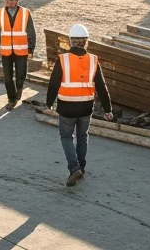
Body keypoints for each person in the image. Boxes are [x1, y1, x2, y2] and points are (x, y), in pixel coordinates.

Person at [46, 24, 113, 187]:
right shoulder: (93, 60)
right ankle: (81, 167)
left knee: (66, 137)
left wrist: (49, 103)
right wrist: (107, 109)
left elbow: (54, 84)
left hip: (67, 107)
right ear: (86, 42)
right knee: (83, 137)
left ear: (70, 42)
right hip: (85, 108)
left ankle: (74, 167)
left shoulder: (63, 60)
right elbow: (101, 86)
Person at [0, 0, 36, 109]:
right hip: (6, 50)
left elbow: (31, 32)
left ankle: (19, 91)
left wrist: (31, 49)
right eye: (7, 0)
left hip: (21, 50)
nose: (9, 2)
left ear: (17, 0)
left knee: (21, 74)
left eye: (11, 0)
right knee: (7, 76)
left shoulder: (26, 13)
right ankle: (11, 98)